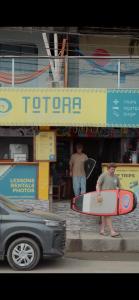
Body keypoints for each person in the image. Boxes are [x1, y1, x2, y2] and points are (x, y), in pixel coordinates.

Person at [96, 163, 121, 237]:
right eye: (112, 169)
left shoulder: (116, 177)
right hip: (104, 197)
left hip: (112, 198)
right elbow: (98, 185)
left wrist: (119, 192)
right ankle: (112, 231)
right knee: (108, 214)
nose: (113, 171)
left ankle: (102, 230)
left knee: (104, 214)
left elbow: (119, 187)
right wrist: (98, 194)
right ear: (108, 169)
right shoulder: (103, 175)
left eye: (114, 169)